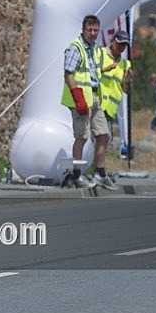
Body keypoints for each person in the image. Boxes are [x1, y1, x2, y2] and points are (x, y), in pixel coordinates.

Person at [61, 14, 108, 189]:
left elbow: (93, 72)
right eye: (90, 30)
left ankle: (100, 172)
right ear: (83, 30)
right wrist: (77, 97)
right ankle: (77, 174)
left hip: (94, 97)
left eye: (96, 30)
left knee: (103, 134)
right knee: (81, 137)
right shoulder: (76, 47)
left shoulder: (94, 49)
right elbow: (68, 74)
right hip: (80, 99)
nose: (93, 33)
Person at [99, 30, 132, 176]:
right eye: (119, 44)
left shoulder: (125, 64)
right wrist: (105, 69)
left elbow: (126, 90)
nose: (122, 47)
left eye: (124, 45)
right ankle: (97, 171)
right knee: (101, 137)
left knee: (103, 140)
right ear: (112, 41)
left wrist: (128, 80)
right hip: (96, 103)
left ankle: (98, 170)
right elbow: (91, 73)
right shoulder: (100, 54)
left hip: (110, 109)